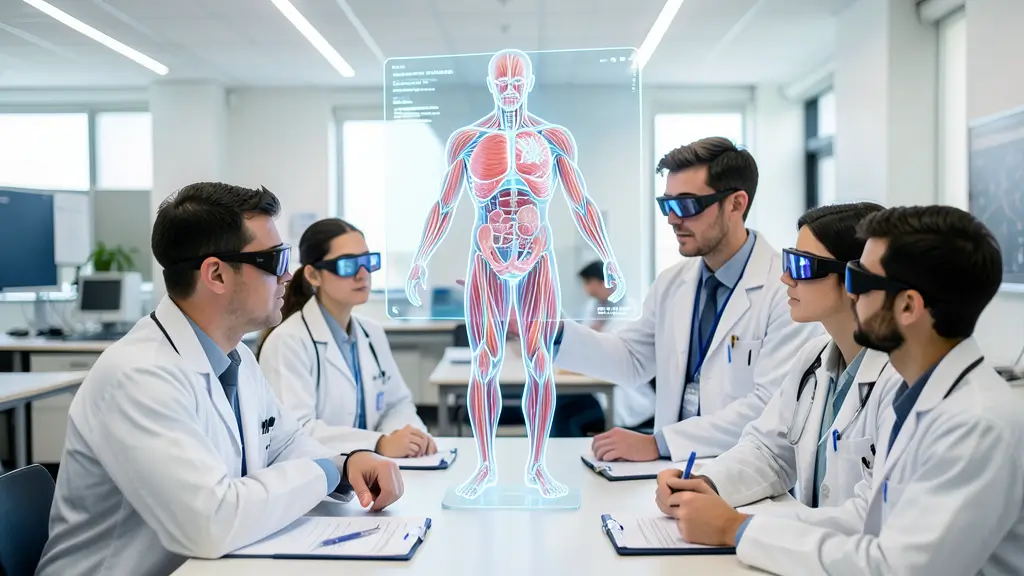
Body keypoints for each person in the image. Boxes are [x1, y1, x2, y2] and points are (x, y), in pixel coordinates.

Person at [36, 183, 404, 576]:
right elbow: (211, 522)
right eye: (275, 260)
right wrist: (327, 471)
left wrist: (347, 462)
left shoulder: (236, 357)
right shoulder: (138, 376)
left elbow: (287, 444)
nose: (288, 276)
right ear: (215, 274)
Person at [665, 206, 1024, 575]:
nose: (852, 296)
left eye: (859, 280)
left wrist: (736, 530)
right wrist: (732, 521)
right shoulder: (922, 395)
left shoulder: (977, 425)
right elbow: (867, 520)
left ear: (907, 305)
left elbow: (895, 567)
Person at [403, 48, 626, 498]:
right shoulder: (467, 139)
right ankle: (485, 467)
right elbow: (444, 204)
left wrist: (610, 257)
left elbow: (580, 202)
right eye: (500, 84)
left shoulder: (553, 138)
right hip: (485, 260)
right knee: (484, 363)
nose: (508, 92)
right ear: (491, 85)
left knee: (540, 362)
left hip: (536, 259)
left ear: (527, 84)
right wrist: (420, 257)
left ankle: (537, 467)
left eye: (516, 84)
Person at [553, 136, 824, 462]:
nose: (672, 219)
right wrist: (551, 332)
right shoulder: (672, 283)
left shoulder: (786, 290)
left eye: (687, 205)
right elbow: (631, 360)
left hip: (745, 475)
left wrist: (658, 443)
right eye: (667, 204)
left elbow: (770, 404)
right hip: (670, 471)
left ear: (736, 204)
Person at [655, 202, 902, 518]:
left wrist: (736, 529)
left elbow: (871, 517)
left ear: (855, 278)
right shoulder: (812, 359)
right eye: (788, 260)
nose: (785, 278)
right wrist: (705, 484)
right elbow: (769, 453)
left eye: (802, 266)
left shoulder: (899, 379)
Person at [259, 218, 437, 457]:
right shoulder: (288, 341)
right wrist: (380, 444)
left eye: (367, 262)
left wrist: (412, 438)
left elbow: (397, 405)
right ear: (313, 275)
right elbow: (295, 432)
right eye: (347, 265)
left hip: (376, 472)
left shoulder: (371, 332)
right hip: (320, 481)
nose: (362, 274)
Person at [549, 261, 657, 436]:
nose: (586, 289)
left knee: (567, 417)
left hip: (625, 394)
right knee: (559, 406)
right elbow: (583, 339)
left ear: (602, 282)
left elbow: (615, 348)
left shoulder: (630, 309)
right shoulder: (594, 307)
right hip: (596, 384)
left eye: (588, 283)